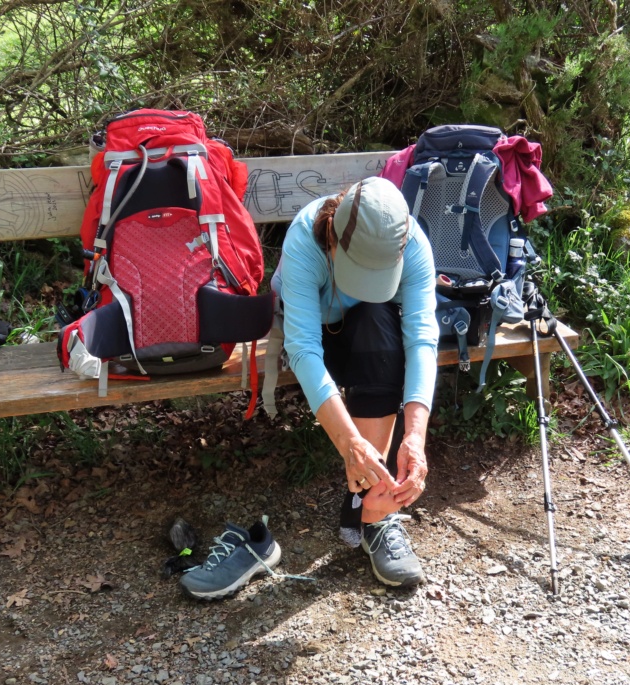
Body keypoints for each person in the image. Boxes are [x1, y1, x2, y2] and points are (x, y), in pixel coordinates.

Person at [180, 177, 438, 600]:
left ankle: (371, 514)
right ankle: (365, 479)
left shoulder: (413, 244)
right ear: (333, 238)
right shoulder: (306, 238)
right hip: (314, 331)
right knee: (364, 332)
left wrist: (415, 436)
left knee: (379, 328)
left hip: (367, 334)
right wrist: (349, 444)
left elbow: (422, 338)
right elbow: (302, 350)